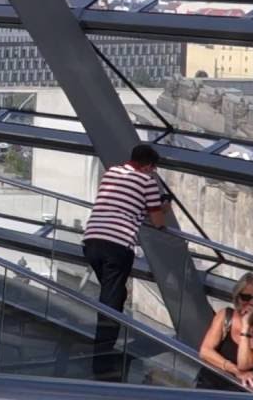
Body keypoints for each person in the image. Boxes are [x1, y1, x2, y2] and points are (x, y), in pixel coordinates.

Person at [81, 143, 170, 380]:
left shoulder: (111, 172)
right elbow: (158, 221)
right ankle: (101, 362)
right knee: (111, 303)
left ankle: (104, 349)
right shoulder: (147, 182)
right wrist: (164, 205)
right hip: (117, 245)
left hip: (91, 241)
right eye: (153, 169)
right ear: (149, 166)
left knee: (114, 295)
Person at [197, 273, 253, 392]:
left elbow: (244, 364)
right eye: (246, 297)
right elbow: (205, 351)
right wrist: (235, 371)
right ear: (237, 298)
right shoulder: (225, 316)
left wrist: (246, 327)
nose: (252, 303)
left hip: (247, 393)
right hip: (210, 387)